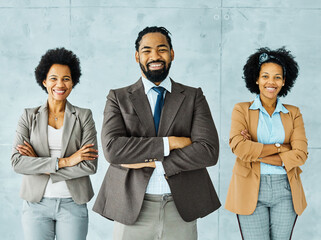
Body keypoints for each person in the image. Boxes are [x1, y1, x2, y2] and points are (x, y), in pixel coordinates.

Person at [93, 26, 220, 240]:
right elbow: (113, 150)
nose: (155, 56)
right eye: (147, 50)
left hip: (180, 208)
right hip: (131, 208)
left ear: (172, 54)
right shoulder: (118, 97)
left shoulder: (193, 96)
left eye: (162, 49)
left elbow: (208, 151)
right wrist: (170, 143)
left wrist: (148, 160)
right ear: (137, 56)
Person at [11, 47, 98, 240]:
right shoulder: (28, 116)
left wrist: (38, 164)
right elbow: (17, 162)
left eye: (66, 78)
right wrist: (66, 161)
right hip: (36, 205)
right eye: (53, 78)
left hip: (73, 204)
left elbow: (90, 165)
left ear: (73, 81)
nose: (60, 84)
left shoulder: (84, 116)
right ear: (44, 81)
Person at [225, 47, 308, 240]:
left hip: (286, 189)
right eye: (265, 76)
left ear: (284, 81)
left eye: (277, 77)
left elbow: (300, 155)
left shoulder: (293, 113)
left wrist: (255, 152)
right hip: (249, 187)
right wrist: (282, 148)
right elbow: (239, 148)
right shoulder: (241, 110)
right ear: (256, 79)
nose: (271, 82)